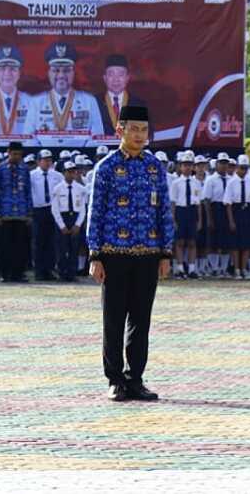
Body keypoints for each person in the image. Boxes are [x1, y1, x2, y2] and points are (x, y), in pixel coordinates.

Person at [87, 104, 173, 403]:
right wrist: (94, 254)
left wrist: (166, 253)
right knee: (113, 319)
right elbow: (95, 212)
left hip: (148, 254)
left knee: (141, 319)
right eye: (133, 129)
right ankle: (114, 380)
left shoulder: (155, 167)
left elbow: (164, 211)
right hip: (113, 254)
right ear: (120, 130)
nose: (139, 135)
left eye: (143, 130)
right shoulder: (107, 168)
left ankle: (135, 379)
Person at [29, 42, 104, 147]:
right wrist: (44, 158)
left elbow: (97, 137)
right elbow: (29, 138)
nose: (61, 75)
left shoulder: (89, 101)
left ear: (74, 73)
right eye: (56, 70)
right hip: (45, 159)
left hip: (80, 159)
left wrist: (80, 157)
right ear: (48, 73)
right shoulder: (36, 102)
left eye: (66, 70)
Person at [0, 142, 34, 283]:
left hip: (21, 214)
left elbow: (28, 191)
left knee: (20, 246)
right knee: (5, 246)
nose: (17, 157)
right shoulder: (0, 169)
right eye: (14, 154)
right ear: (8, 152)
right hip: (5, 214)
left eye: (19, 154)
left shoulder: (25, 169)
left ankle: (19, 273)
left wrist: (29, 213)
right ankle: (6, 274)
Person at [224, 154, 250, 279]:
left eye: (245, 168)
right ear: (237, 168)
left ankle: (244, 268)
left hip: (247, 212)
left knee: (246, 244)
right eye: (241, 168)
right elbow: (228, 203)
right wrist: (231, 221)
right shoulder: (231, 182)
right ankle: (237, 269)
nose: (243, 171)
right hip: (236, 211)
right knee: (235, 244)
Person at [52, 161, 87, 282]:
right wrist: (61, 225)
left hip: (75, 217)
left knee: (74, 248)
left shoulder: (81, 189)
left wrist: (78, 224)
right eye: (69, 171)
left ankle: (72, 273)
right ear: (64, 173)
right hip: (63, 217)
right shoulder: (57, 188)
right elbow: (55, 209)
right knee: (62, 248)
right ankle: (62, 273)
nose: (72, 174)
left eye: (74, 171)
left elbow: (83, 208)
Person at [95, 54, 147, 133]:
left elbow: (147, 134)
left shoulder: (138, 104)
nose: (116, 79)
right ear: (105, 78)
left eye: (121, 74)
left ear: (127, 78)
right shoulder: (94, 103)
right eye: (111, 74)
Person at [169, 153, 202, 279]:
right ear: (180, 167)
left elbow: (198, 203)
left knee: (192, 242)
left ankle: (192, 268)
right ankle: (180, 268)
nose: (187, 168)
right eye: (184, 165)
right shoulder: (176, 183)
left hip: (192, 211)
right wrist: (173, 219)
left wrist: (199, 220)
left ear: (192, 167)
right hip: (180, 211)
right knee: (180, 242)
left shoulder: (196, 182)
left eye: (189, 165)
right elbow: (173, 202)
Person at [30, 149, 61, 281]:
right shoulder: (31, 175)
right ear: (38, 161)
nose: (48, 162)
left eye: (50, 160)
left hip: (52, 210)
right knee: (38, 241)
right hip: (38, 210)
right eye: (45, 160)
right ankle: (39, 271)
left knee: (51, 241)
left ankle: (49, 270)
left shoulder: (57, 175)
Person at [203, 154, 233, 277]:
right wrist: (209, 218)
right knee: (214, 242)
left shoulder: (231, 179)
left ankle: (223, 268)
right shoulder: (211, 179)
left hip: (228, 209)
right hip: (215, 209)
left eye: (226, 163)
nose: (224, 166)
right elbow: (206, 200)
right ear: (216, 165)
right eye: (221, 163)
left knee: (226, 242)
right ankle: (214, 267)